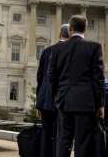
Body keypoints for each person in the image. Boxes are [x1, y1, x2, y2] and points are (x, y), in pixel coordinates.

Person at [48, 15, 105, 157]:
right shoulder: (94, 47)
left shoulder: (57, 49)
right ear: (85, 29)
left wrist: (58, 96)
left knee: (63, 142)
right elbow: (98, 78)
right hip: (85, 103)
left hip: (64, 100)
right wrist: (100, 104)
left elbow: (52, 76)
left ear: (71, 28)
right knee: (83, 143)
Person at [36, 24, 70, 157]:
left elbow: (40, 78)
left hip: (46, 100)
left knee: (47, 135)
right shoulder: (71, 51)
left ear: (59, 34)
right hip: (63, 101)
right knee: (61, 136)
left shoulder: (47, 51)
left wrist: (39, 103)